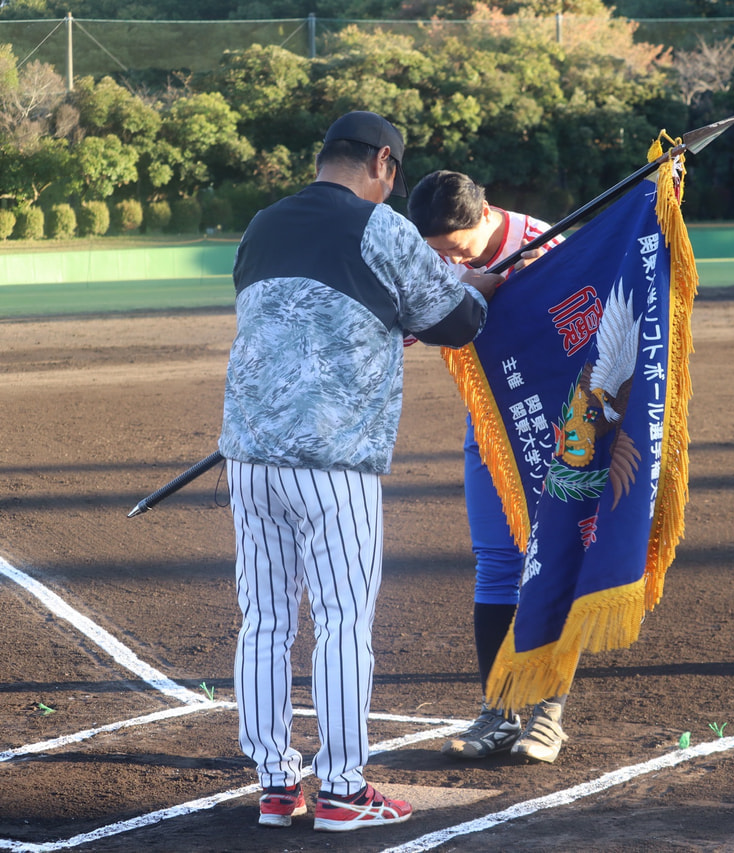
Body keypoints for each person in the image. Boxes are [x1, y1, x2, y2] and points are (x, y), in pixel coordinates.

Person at [218, 112, 499, 832]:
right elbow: (455, 320)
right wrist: (476, 284)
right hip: (334, 463)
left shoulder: (262, 224)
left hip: (248, 457)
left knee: (266, 620)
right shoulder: (381, 227)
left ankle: (276, 785)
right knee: (344, 620)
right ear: (384, 163)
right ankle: (343, 790)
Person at [405, 169, 571, 764]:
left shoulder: (544, 242)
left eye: (456, 248)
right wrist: (466, 290)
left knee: (549, 561)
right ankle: (498, 710)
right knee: (497, 563)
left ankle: (548, 713)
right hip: (491, 428)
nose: (446, 258)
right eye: (436, 251)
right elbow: (407, 330)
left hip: (561, 432)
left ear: (485, 217)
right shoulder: (429, 258)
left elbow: (593, 326)